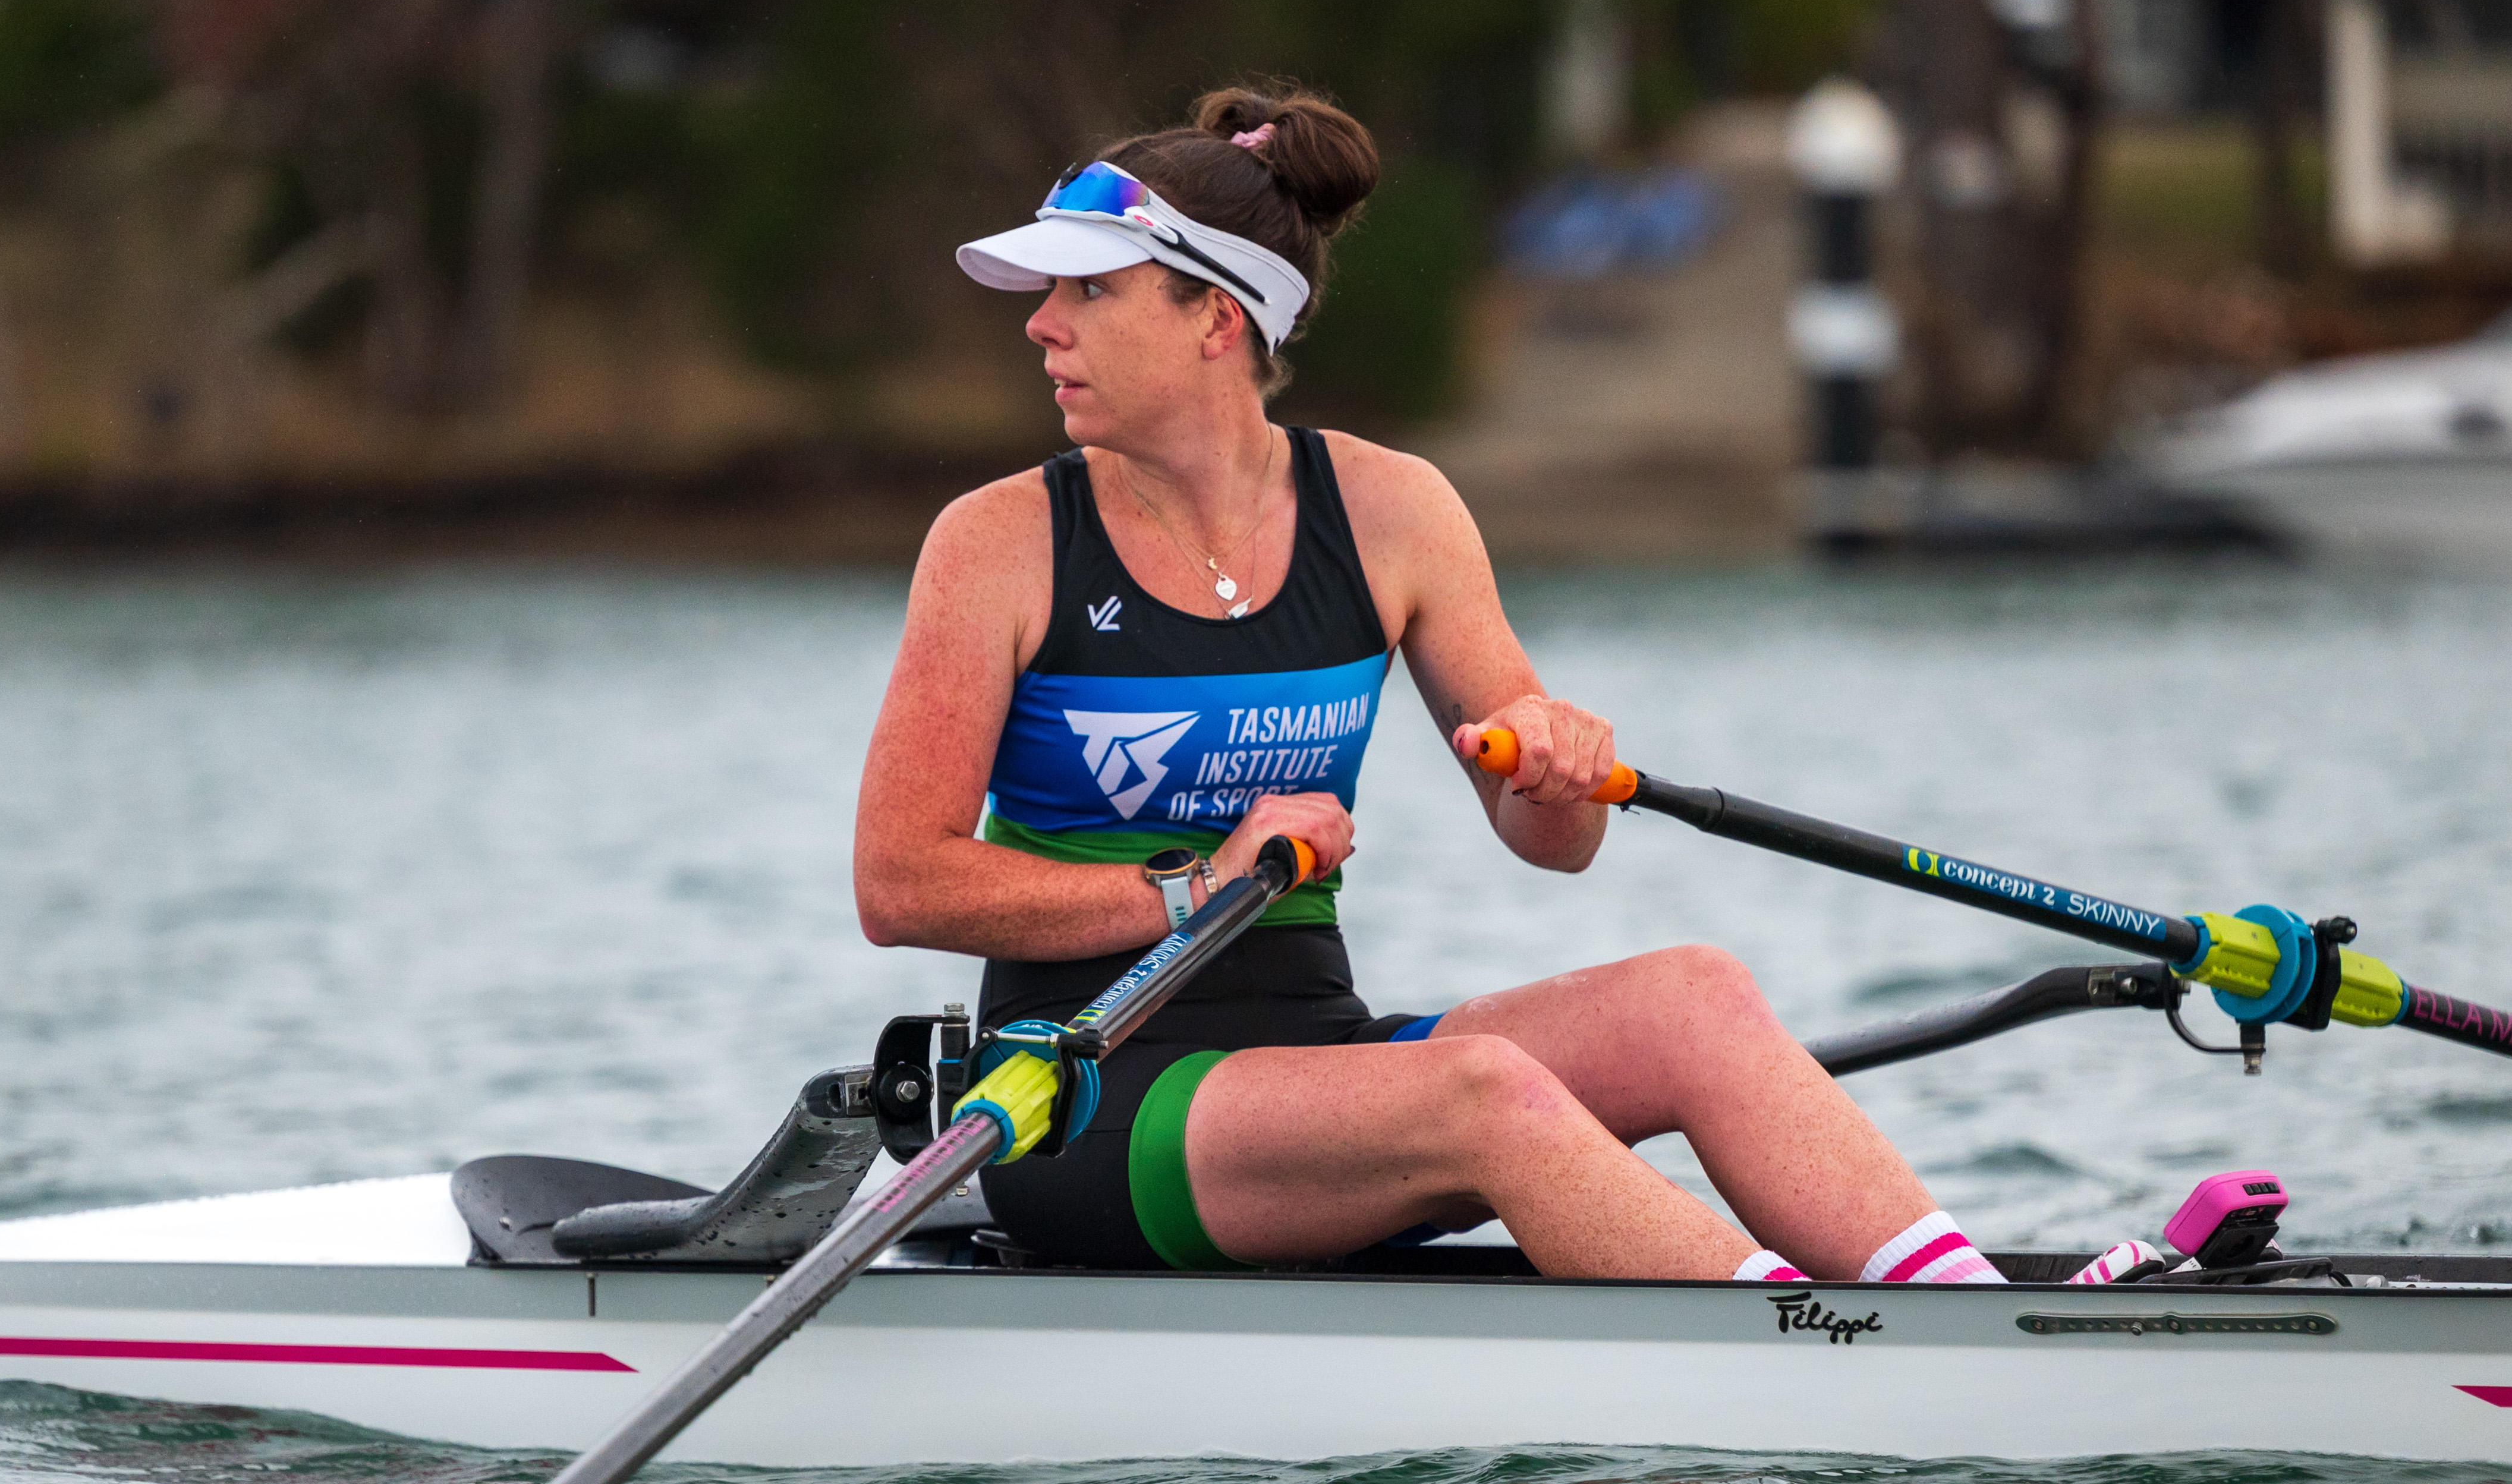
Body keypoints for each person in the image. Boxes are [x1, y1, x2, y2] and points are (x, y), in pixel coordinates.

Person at [851, 83, 2007, 1288]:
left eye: (1089, 289)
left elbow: (1553, 839)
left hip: (1323, 1061)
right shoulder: (1000, 544)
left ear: (1217, 319)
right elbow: (898, 879)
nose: (1042, 324)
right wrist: (1189, 890)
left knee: (1698, 998)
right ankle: (1808, 1348)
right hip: (1082, 1094)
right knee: (1485, 1094)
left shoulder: (1392, 512)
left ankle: (1959, 1309)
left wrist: (1555, 761)